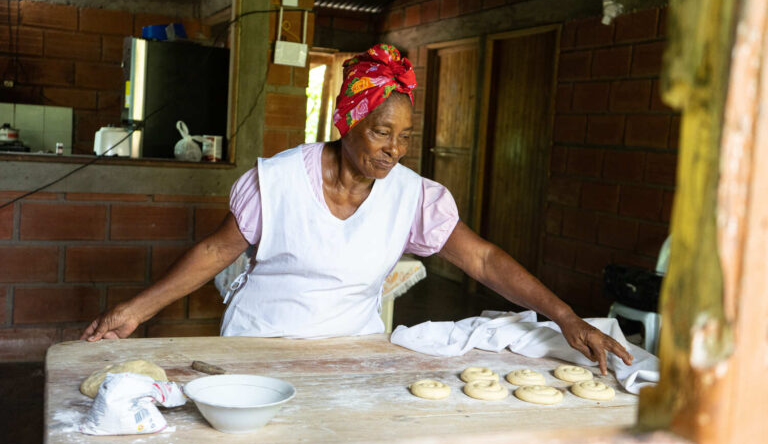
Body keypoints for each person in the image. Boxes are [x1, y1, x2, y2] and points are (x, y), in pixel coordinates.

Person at [82, 44, 633, 375]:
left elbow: (484, 261)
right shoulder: (277, 181)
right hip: (258, 346)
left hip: (355, 352)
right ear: (346, 122)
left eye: (405, 136)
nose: (394, 149)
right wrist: (136, 311)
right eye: (381, 132)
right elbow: (213, 251)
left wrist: (566, 318)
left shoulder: (414, 196)